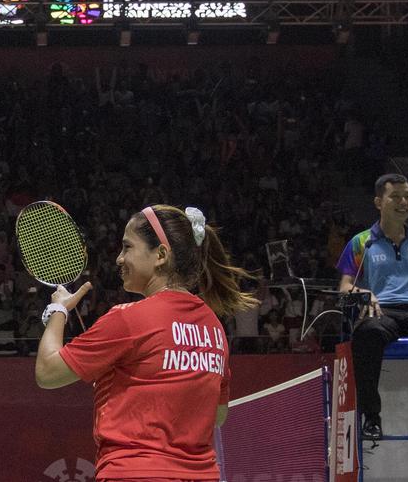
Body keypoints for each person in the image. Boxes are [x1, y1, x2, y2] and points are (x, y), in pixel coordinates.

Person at [34, 205, 257, 481]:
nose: (119, 258)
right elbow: (217, 416)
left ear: (160, 255)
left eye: (127, 247)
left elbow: (47, 372)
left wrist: (58, 310)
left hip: (135, 473)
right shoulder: (214, 328)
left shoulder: (128, 319)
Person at [337, 173, 408, 440]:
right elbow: (345, 286)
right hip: (380, 311)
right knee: (367, 333)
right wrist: (364, 293)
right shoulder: (361, 242)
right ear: (379, 202)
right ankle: (371, 419)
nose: (404, 202)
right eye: (396, 197)